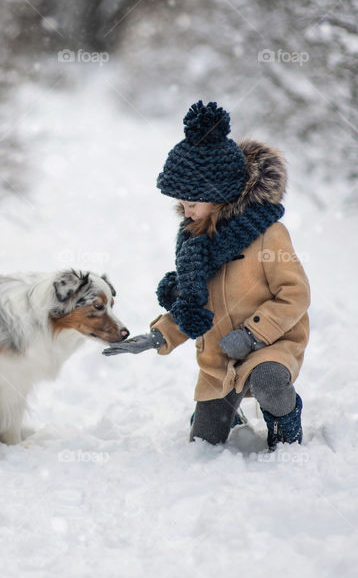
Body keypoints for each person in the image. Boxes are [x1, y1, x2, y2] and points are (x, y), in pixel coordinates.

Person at [104, 101, 310, 450]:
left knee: (269, 379)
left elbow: (295, 294)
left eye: (194, 202)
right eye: (182, 202)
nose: (186, 210)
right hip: (219, 359)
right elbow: (193, 305)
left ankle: (285, 424)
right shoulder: (194, 242)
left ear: (220, 196)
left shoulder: (269, 235)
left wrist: (253, 334)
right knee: (204, 442)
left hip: (271, 345)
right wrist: (157, 337)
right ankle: (228, 414)